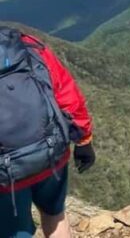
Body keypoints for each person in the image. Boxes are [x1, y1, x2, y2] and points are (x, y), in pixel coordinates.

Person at [0, 28, 95, 238]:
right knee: (55, 215)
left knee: (16, 232)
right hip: (50, 154)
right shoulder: (25, 44)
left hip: (6, 177)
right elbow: (68, 96)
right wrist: (84, 140)